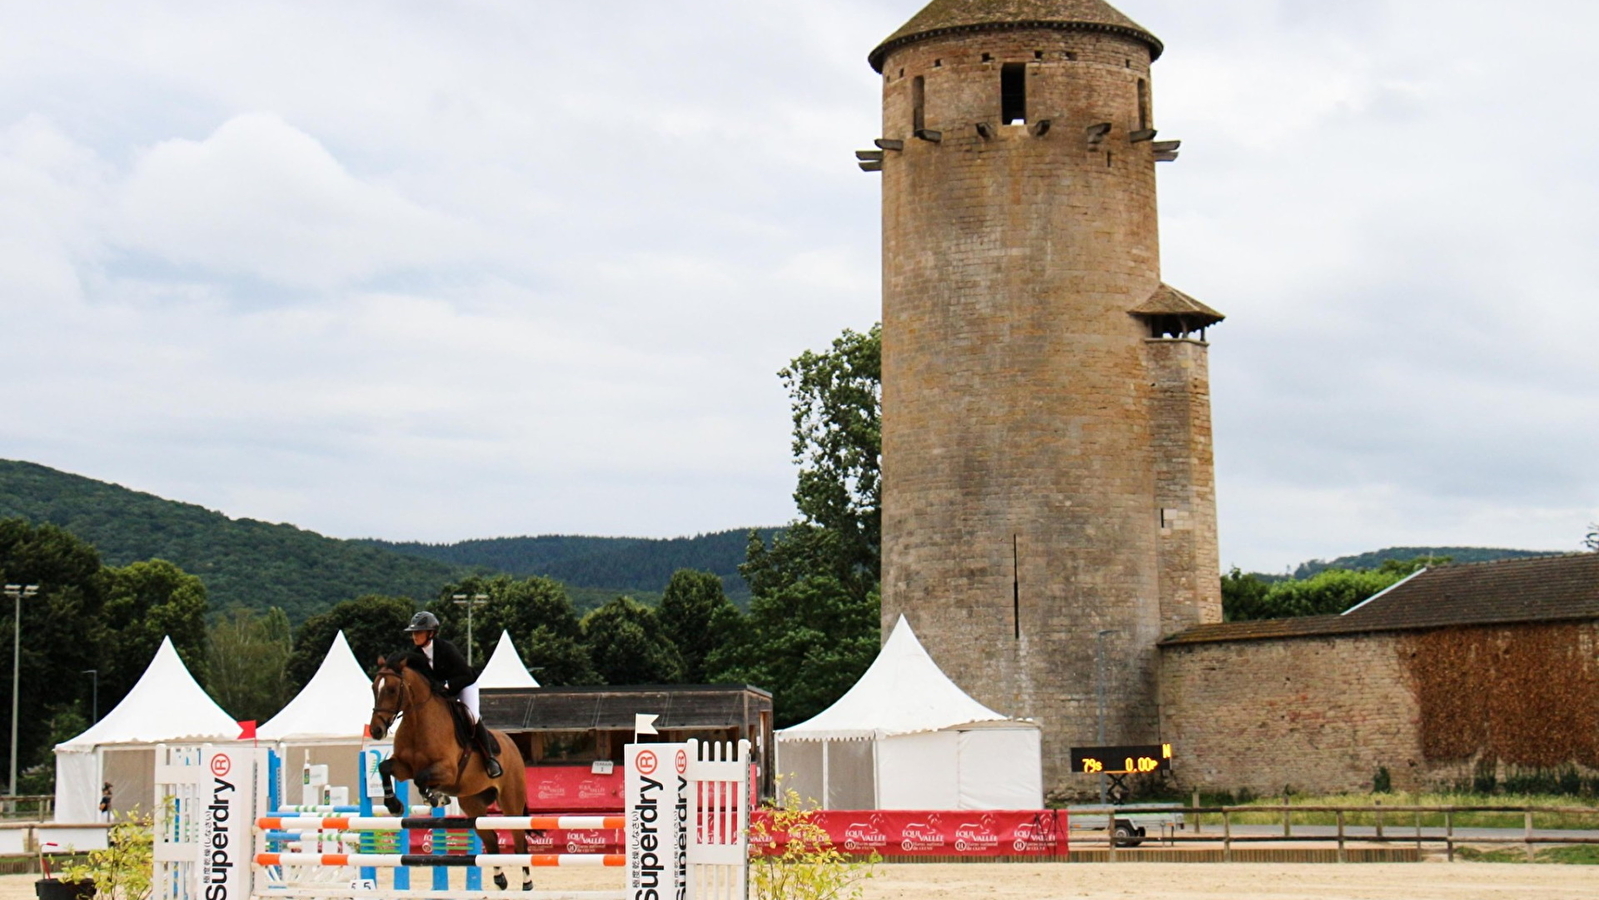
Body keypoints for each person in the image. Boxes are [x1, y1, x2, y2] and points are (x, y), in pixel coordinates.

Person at [404, 611, 503, 777]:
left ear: (431, 633)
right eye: (413, 633)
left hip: (464, 685)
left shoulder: (447, 649)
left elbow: (466, 675)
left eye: (418, 632)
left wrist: (447, 685)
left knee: (471, 716)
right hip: (439, 692)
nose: (415, 636)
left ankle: (489, 758)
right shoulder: (414, 656)